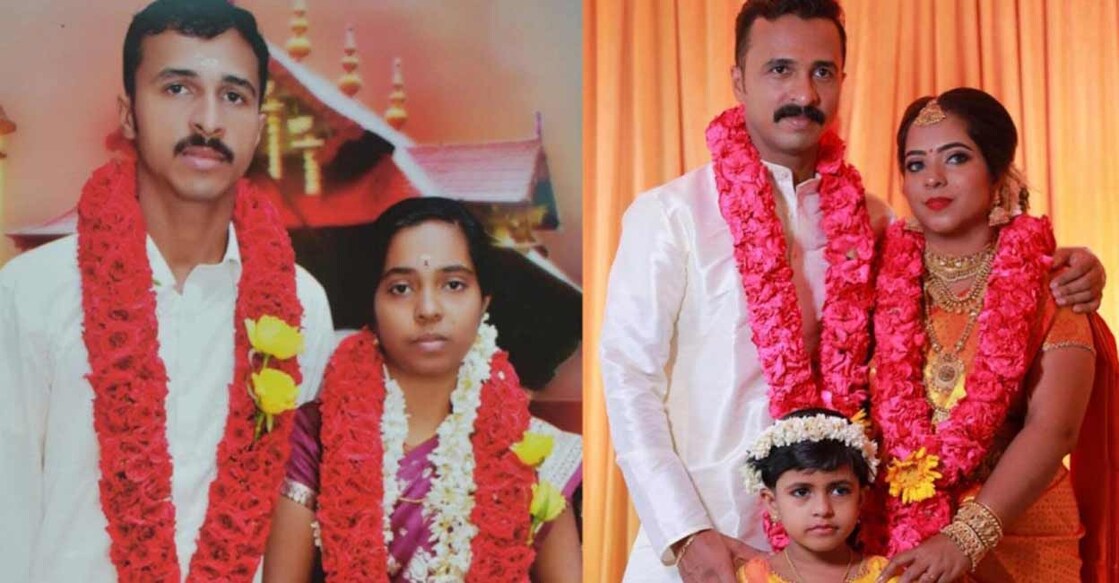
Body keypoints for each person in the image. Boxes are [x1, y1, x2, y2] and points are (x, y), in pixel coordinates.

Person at [598, 1, 1106, 582]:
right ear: (738, 80)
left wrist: (1074, 265)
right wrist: (684, 532)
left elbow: (972, 270)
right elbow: (628, 379)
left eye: (822, 72)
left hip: (842, 553)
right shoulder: (670, 216)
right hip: (705, 541)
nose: (805, 94)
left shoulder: (874, 223)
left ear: (843, 78)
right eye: (780, 69)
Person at [0, 1, 335, 581]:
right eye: (177, 88)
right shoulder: (32, 294)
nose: (207, 120)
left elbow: (295, 515)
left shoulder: (301, 306)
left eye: (234, 96)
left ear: (258, 124)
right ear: (128, 114)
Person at [262, 197, 583, 582]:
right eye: (401, 288)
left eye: (453, 284)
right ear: (372, 303)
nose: (428, 308)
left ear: (484, 302)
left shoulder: (535, 451)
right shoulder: (315, 438)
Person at [871, 87, 1115, 583]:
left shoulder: (1052, 284)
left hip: (1022, 539)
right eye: (916, 165)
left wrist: (966, 537)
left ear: (998, 170)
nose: (933, 178)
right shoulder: (878, 279)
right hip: (900, 539)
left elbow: (1054, 428)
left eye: (956, 158)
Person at [735, 409, 895, 583]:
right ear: (773, 503)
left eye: (840, 491)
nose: (823, 509)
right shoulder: (749, 579)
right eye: (801, 492)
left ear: (860, 500)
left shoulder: (887, 577)